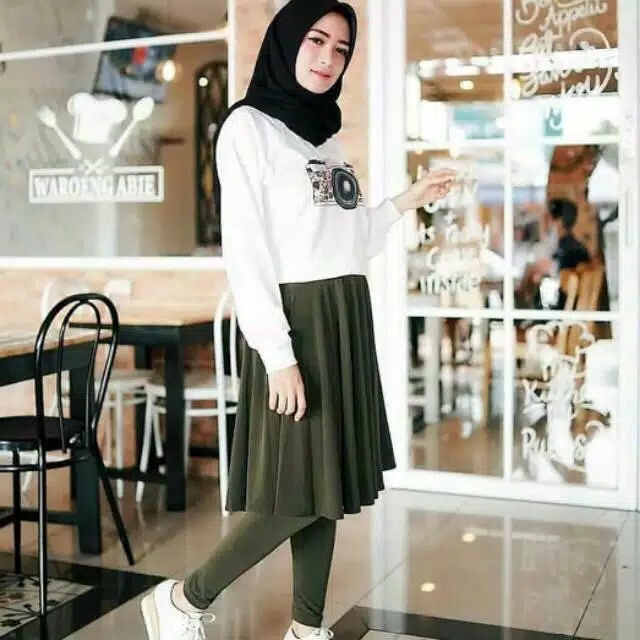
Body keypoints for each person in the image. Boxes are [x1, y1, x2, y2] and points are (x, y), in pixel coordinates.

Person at [140, 2, 456, 639]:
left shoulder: (326, 138)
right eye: (316, 40)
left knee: (325, 482)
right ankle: (183, 599)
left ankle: (306, 628)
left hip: (343, 315)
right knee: (297, 491)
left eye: (341, 49)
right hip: (298, 323)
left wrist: (408, 200)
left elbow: (349, 239)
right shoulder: (248, 128)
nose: (328, 57)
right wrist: (278, 353)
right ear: (287, 42)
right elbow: (246, 253)